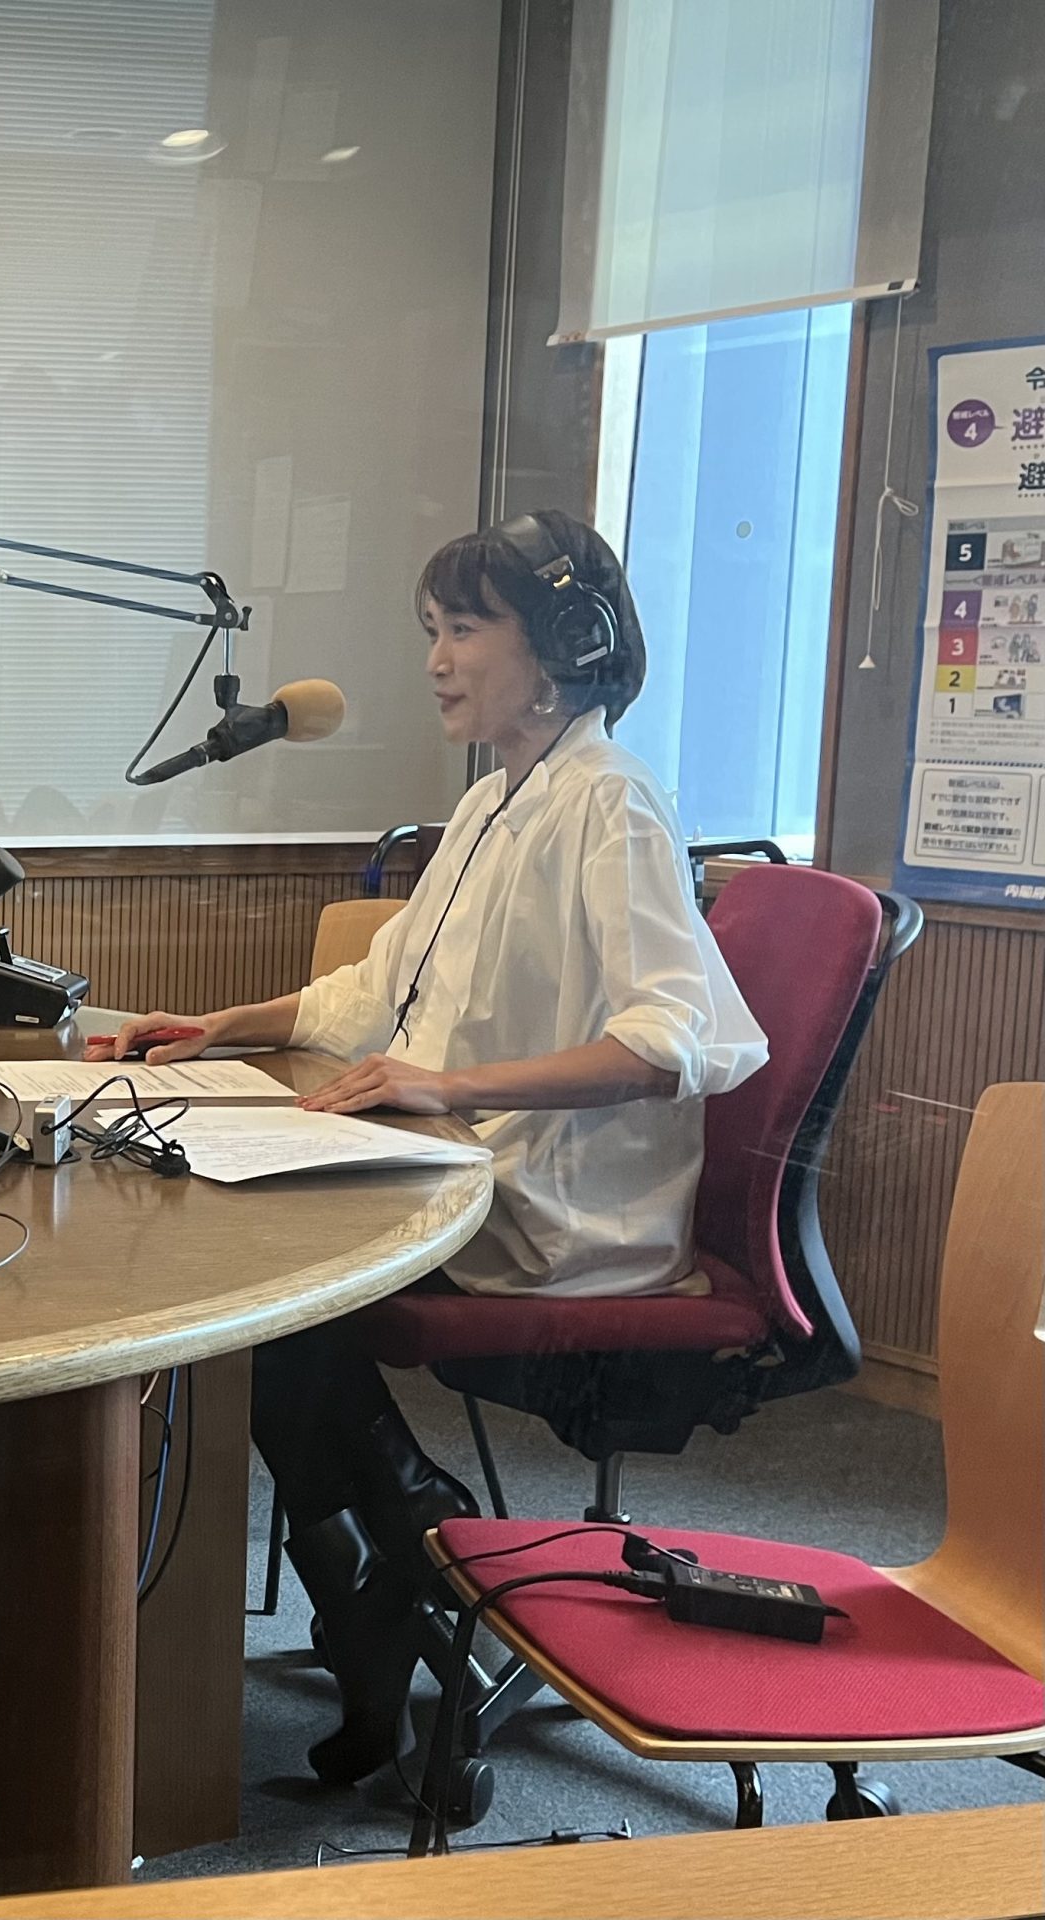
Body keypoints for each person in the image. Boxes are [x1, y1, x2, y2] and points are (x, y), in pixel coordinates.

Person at [92, 511, 767, 1784]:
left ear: (563, 643)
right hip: (470, 1165)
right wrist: (219, 1025)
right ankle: (391, 1581)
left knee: (271, 1305)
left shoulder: (611, 802)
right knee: (257, 1301)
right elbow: (377, 994)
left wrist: (446, 1083)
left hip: (564, 1208)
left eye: (465, 630)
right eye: (432, 632)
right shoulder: (491, 803)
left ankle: (410, 1566)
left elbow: (665, 1043)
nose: (437, 660)